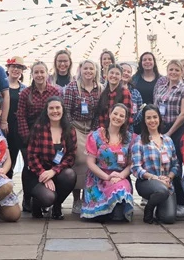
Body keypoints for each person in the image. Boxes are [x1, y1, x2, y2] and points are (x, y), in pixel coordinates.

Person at [15, 61, 62, 212]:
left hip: (49, 137)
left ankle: (43, 195)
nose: (39, 75)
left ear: (47, 73)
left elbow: (59, 115)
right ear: (32, 74)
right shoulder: (25, 93)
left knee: (47, 165)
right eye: (36, 72)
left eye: (42, 72)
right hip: (29, 136)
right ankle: (27, 197)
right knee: (29, 167)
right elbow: (21, 116)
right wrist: (27, 138)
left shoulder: (55, 92)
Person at [153, 59, 184, 219]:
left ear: (182, 72)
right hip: (161, 129)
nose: (174, 73)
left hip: (177, 130)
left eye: (177, 70)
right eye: (171, 70)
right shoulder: (161, 87)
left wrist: (169, 133)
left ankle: (181, 203)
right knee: (161, 164)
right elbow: (156, 108)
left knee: (175, 166)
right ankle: (164, 199)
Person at [25, 97, 77, 220]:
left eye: (58, 107)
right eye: (51, 108)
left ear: (63, 109)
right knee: (48, 198)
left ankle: (57, 207)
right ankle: (36, 204)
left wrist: (53, 171)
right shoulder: (38, 129)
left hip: (56, 171)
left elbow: (71, 156)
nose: (55, 111)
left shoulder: (70, 130)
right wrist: (43, 174)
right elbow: (32, 157)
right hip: (36, 173)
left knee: (70, 174)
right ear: (46, 111)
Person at [82, 103, 135, 222]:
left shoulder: (129, 138)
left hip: (119, 178)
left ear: (125, 119)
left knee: (119, 214)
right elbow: (90, 163)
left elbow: (131, 164)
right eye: (115, 113)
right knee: (100, 216)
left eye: (122, 115)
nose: (118, 117)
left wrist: (120, 176)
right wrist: (107, 177)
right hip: (98, 177)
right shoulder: (95, 136)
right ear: (110, 114)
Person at [62, 60, 100, 215]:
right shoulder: (72, 87)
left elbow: (100, 111)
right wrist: (71, 130)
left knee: (91, 162)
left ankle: (87, 197)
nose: (88, 71)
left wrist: (95, 130)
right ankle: (76, 199)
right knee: (78, 161)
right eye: (86, 68)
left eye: (91, 68)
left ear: (95, 71)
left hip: (92, 128)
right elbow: (67, 110)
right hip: (75, 127)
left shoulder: (100, 88)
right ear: (81, 70)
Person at [132, 105, 179, 224]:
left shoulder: (168, 140)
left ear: (159, 118)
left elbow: (176, 164)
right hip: (147, 182)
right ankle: (149, 209)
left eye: (155, 117)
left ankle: (159, 207)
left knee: (168, 218)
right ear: (144, 121)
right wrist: (156, 178)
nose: (152, 121)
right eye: (148, 118)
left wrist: (169, 178)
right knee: (161, 190)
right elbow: (136, 168)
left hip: (167, 183)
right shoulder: (139, 141)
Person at [5, 57, 27, 177]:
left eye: (19, 67)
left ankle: (9, 181)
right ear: (8, 68)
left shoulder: (24, 88)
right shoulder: (0, 85)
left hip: (17, 127)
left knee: (13, 156)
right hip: (2, 125)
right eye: (13, 66)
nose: (16, 69)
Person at [95, 65, 133, 130]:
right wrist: (102, 130)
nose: (114, 76)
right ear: (107, 75)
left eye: (117, 74)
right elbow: (101, 114)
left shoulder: (125, 93)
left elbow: (128, 116)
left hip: (119, 131)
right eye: (111, 73)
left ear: (121, 77)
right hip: (104, 131)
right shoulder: (103, 94)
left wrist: (121, 133)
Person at [120, 63, 143, 129]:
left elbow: (140, 110)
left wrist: (131, 122)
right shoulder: (111, 90)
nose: (126, 73)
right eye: (123, 70)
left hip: (129, 129)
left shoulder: (136, 93)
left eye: (128, 72)